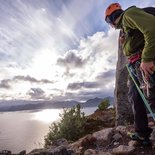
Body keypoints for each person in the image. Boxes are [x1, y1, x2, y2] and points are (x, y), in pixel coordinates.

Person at [104, 3, 155, 145]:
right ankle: (141, 133)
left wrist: (148, 58)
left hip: (144, 62)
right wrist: (125, 43)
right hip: (135, 66)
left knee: (152, 97)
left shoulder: (129, 15)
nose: (111, 25)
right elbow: (132, 47)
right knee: (135, 97)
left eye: (109, 21)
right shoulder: (125, 29)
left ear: (112, 17)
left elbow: (152, 28)